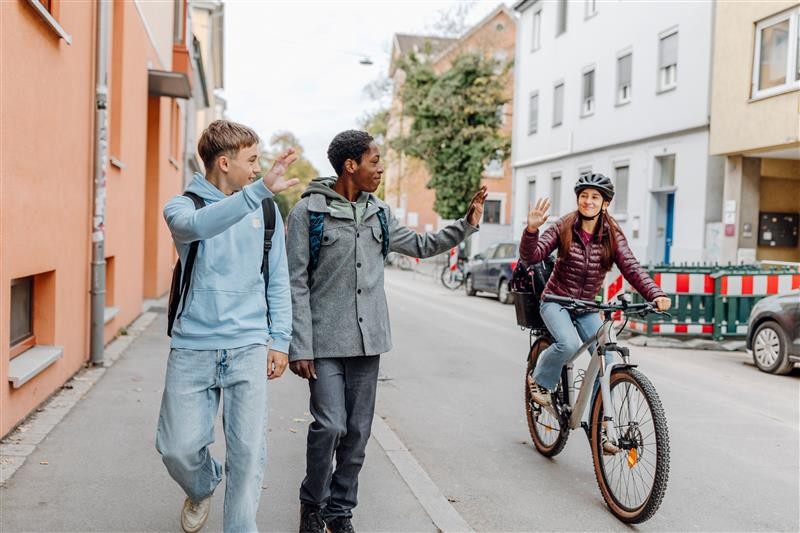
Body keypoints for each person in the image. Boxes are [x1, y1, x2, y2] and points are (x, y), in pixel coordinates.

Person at [286, 130, 487, 533]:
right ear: (351, 166)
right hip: (323, 342)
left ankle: (340, 512)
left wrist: (465, 225)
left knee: (358, 434)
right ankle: (313, 503)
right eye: (375, 161)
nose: (381, 169)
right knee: (330, 426)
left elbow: (420, 244)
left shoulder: (379, 213)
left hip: (368, 341)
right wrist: (299, 346)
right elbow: (295, 283)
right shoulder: (307, 214)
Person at [157, 120, 298, 533]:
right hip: (193, 347)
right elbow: (199, 228)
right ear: (224, 162)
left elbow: (277, 279)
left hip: (248, 347)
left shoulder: (266, 211)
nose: (257, 169)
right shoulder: (182, 207)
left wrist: (280, 341)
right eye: (251, 160)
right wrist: (260, 192)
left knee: (248, 453)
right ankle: (202, 485)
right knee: (176, 448)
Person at [521, 173, 670, 453]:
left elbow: (632, 268)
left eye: (595, 197)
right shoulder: (564, 226)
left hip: (588, 306)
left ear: (605, 203)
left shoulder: (611, 234)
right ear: (578, 199)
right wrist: (531, 231)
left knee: (609, 360)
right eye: (584, 195)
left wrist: (655, 294)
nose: (588, 201)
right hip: (555, 301)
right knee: (568, 343)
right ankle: (539, 380)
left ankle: (602, 430)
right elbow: (532, 257)